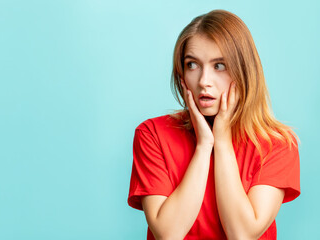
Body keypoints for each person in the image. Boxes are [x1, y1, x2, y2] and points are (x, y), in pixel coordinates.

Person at [127, 9, 300, 240]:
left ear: (244, 72)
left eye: (219, 66)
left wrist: (222, 141)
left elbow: (242, 234)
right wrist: (204, 145)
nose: (203, 81)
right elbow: (168, 234)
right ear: (181, 73)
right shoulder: (152, 134)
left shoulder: (277, 145)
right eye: (192, 65)